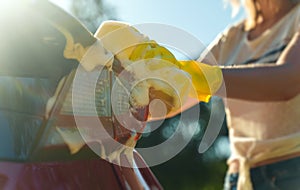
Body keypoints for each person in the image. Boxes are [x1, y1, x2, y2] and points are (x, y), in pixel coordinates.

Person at [198, 0, 300, 189]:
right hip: (239, 178)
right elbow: (179, 91)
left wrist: (207, 79)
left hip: (293, 171)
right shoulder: (230, 38)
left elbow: (287, 81)